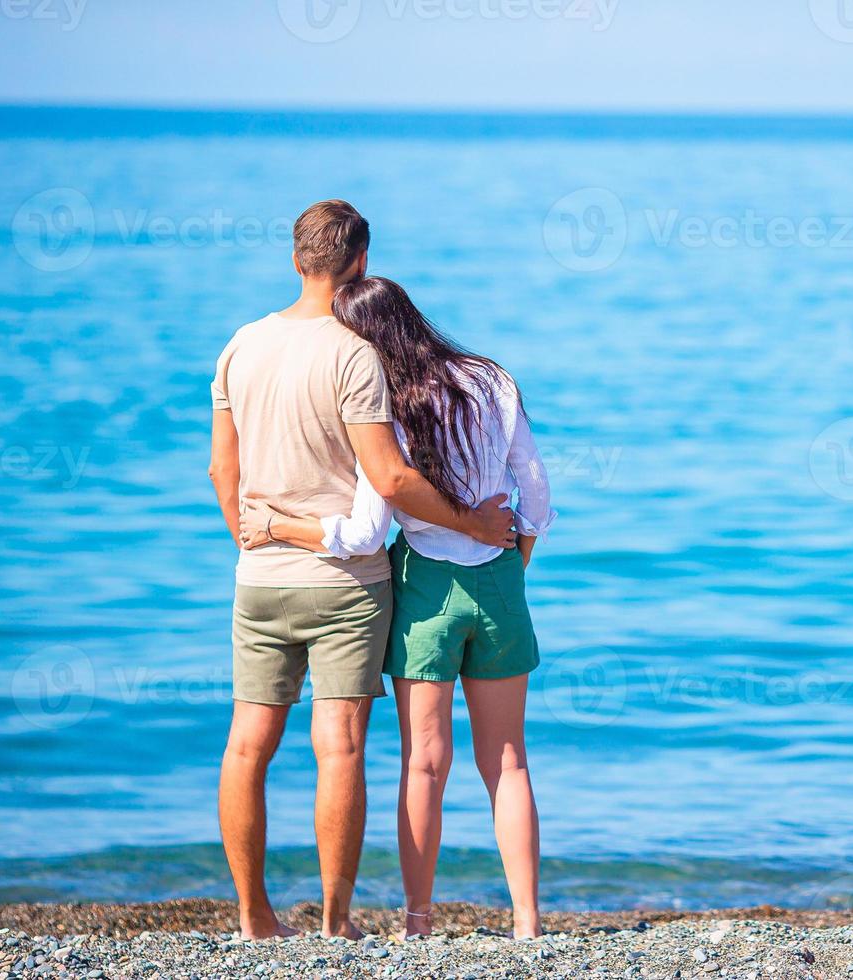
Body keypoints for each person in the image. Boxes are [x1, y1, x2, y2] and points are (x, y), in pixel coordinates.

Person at [208, 202, 517, 940]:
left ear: (295, 260)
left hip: (260, 575)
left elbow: (223, 466)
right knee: (338, 746)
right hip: (346, 585)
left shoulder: (241, 345)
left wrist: (250, 545)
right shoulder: (355, 353)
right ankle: (337, 921)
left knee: (247, 743)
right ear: (361, 265)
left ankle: (254, 917)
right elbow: (391, 479)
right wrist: (475, 523)